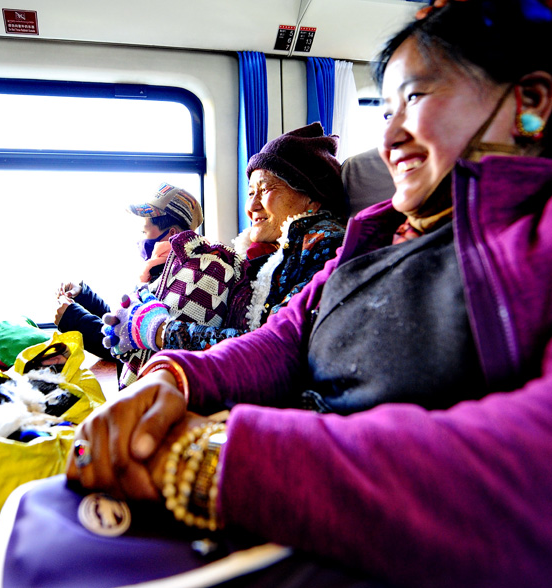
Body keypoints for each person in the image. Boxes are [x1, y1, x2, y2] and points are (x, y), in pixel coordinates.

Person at [64, 1, 552, 586]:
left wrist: (217, 460)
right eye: (385, 108)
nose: (391, 137)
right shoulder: (371, 239)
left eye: (416, 98)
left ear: (529, 105)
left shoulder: (537, 237)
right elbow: (281, 340)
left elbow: (533, 466)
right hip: (289, 484)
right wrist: (173, 380)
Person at [104, 123, 347, 387]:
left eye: (265, 190)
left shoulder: (325, 250)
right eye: (251, 192)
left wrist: (160, 330)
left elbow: (267, 348)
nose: (251, 206)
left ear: (311, 197)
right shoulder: (272, 255)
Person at [54, 183, 203, 361]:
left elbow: (128, 346)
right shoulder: (158, 273)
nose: (140, 239)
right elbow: (125, 323)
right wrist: (83, 297)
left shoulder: (182, 282)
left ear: (172, 234)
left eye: (144, 231)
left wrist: (72, 318)